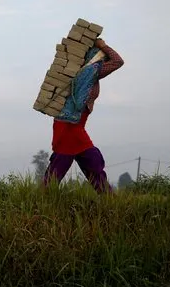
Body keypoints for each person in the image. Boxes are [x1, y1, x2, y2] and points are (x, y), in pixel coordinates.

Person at [43, 38, 124, 193]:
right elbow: (117, 61)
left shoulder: (78, 71)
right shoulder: (92, 70)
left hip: (73, 125)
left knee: (92, 162)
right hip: (69, 127)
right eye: (101, 54)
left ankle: (109, 199)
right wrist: (104, 46)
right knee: (61, 166)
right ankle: (42, 200)